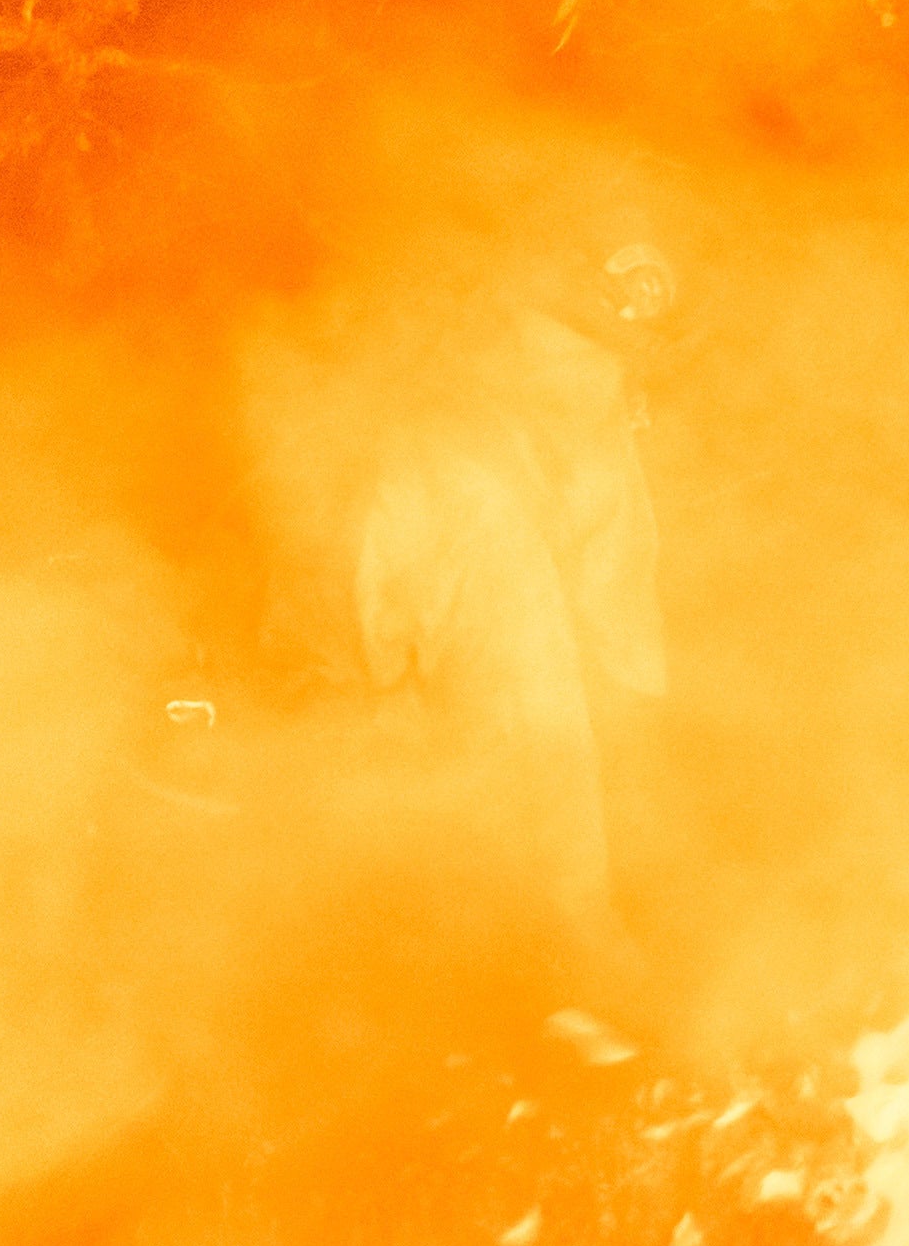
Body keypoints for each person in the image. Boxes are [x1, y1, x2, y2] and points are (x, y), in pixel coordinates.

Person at [280, 237, 675, 970]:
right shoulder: (459, 481)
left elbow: (616, 583)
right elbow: (534, 709)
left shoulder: (573, 407)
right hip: (447, 679)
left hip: (455, 678)